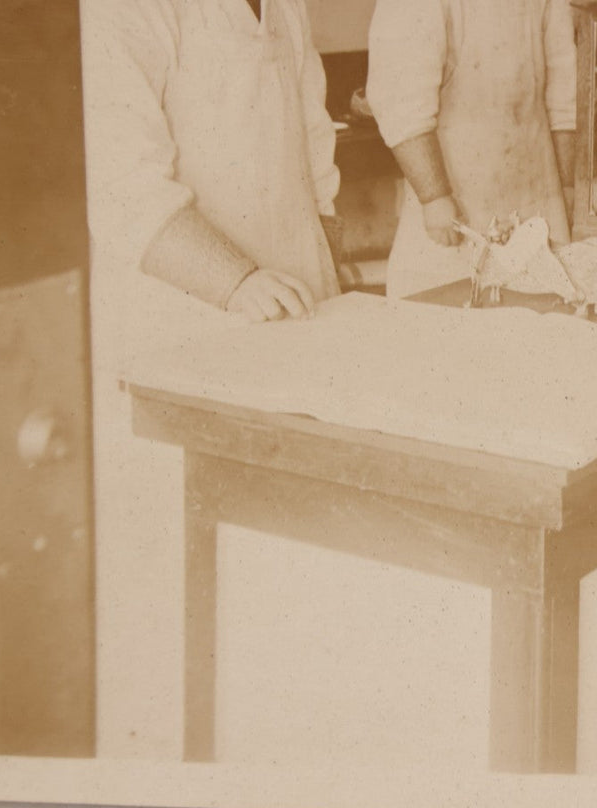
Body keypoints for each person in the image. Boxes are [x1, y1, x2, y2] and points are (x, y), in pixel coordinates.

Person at [80, 0, 342, 758]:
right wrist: (235, 282)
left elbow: (311, 132)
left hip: (296, 308)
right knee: (183, 598)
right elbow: (121, 190)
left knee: (291, 575)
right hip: (185, 320)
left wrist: (330, 254)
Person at [366, 0, 578, 298]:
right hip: (455, 219)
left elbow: (564, 93)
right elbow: (400, 103)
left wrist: (566, 187)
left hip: (539, 208)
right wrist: (434, 197)